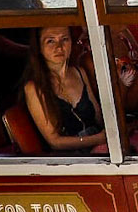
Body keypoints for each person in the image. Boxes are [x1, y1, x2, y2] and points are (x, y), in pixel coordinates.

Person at [20, 25, 107, 153]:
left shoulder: (79, 72)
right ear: (39, 47)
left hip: (100, 146)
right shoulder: (33, 87)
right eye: (51, 41)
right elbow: (54, 142)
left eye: (64, 39)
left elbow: (98, 117)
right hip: (69, 156)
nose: (59, 47)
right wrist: (98, 139)